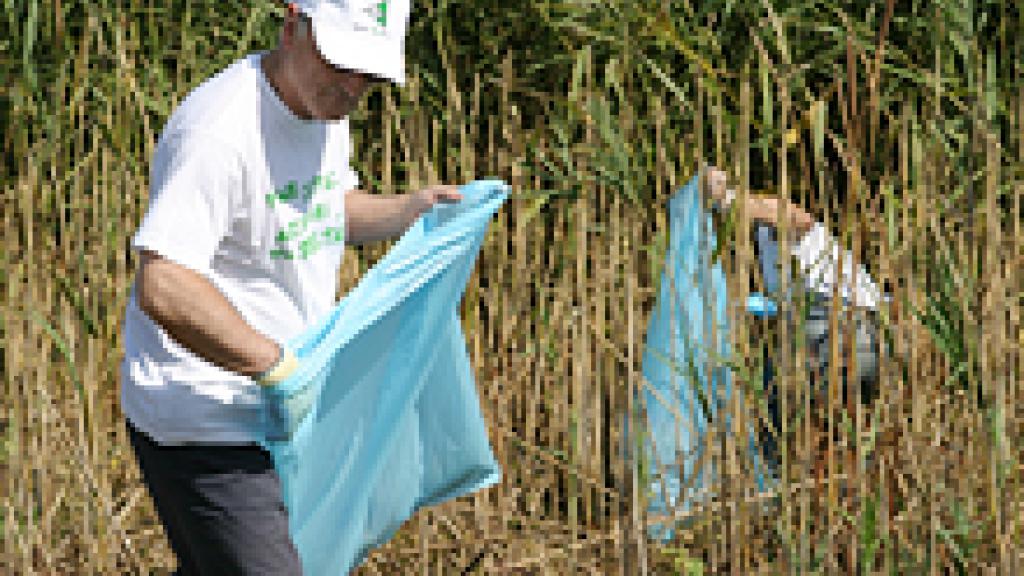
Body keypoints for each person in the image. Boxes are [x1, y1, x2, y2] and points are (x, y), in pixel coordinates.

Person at [119, 1, 460, 573]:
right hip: (207, 415)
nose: (352, 86)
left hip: (279, 412)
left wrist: (412, 210)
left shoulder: (324, 108)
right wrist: (276, 367)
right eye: (341, 62)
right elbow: (164, 282)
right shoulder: (220, 131)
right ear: (291, 26)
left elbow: (324, 208)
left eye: (368, 74)